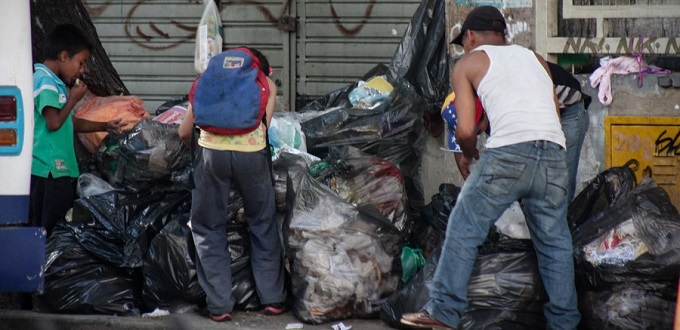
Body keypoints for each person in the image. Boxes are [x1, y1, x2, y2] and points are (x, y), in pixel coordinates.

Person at [401, 6, 580, 330]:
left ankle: (443, 311)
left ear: (470, 36)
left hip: (509, 154)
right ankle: (565, 324)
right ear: (503, 35)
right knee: (555, 242)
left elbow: (466, 130)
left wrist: (469, 154)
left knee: (464, 224)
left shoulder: (468, 62)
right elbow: (554, 108)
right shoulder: (534, 58)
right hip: (553, 152)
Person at [178, 47, 287, 322]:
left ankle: (220, 305)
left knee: (208, 226)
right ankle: (272, 299)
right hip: (252, 156)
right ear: (261, 70)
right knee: (262, 222)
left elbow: (183, 132)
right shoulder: (266, 83)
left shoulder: (209, 80)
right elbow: (264, 126)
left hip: (211, 156)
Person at [442, 62, 591, 202]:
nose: (476, 136)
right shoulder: (461, 105)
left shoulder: (508, 104)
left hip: (569, 107)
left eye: (477, 131)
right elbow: (460, 147)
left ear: (485, 114)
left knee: (559, 189)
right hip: (536, 110)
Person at [31, 24, 122, 238]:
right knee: (48, 232)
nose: (81, 70)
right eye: (80, 63)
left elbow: (68, 123)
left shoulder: (55, 82)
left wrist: (104, 126)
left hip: (59, 171)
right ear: (64, 56)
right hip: (49, 172)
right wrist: (73, 99)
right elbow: (54, 122)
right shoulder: (45, 82)